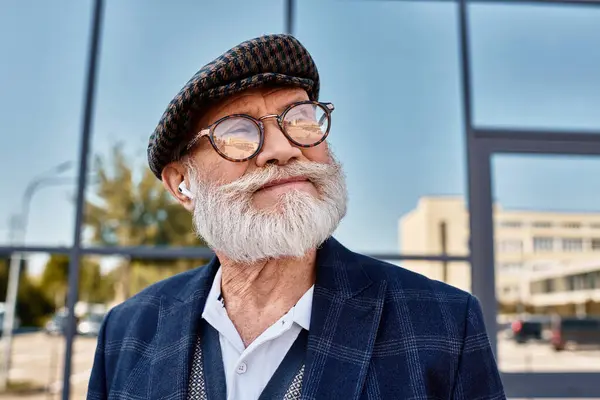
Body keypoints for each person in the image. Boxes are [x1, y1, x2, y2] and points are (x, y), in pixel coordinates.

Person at [87, 34, 505, 400]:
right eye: (238, 131)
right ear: (181, 184)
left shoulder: (443, 325)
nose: (283, 148)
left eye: (299, 120)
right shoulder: (127, 332)